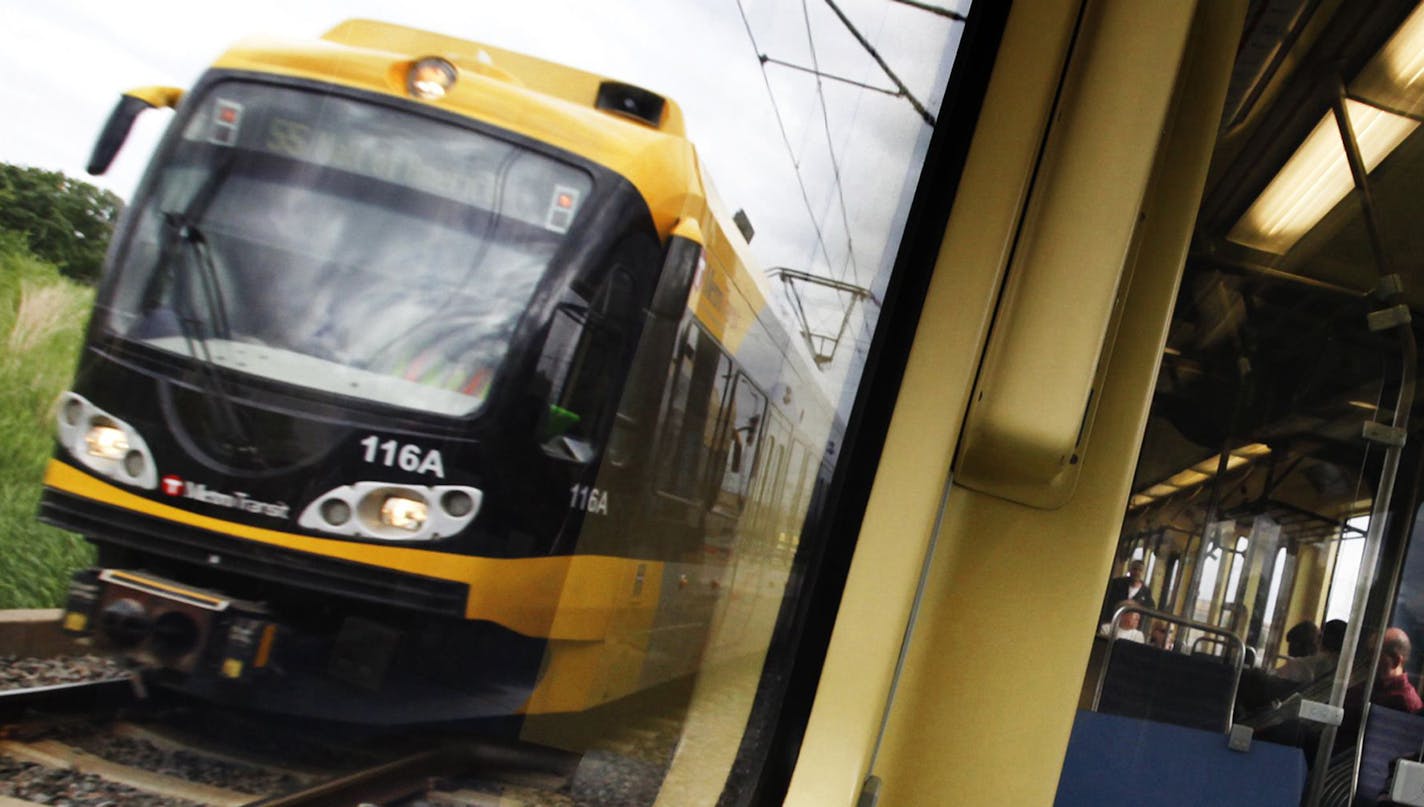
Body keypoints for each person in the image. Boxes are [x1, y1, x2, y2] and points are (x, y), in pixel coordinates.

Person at [1372, 627, 1422, 713]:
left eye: (1376, 654)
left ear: (1396, 660)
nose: (1370, 659)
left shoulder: (1408, 703)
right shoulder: (1376, 684)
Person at [1099, 559, 1155, 625]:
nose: (1137, 572)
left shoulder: (1146, 592)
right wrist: (1120, 604)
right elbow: (1106, 600)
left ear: (1143, 573)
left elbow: (1150, 608)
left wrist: (1135, 605)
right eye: (1134, 569)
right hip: (1111, 621)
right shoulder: (1117, 584)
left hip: (1131, 627)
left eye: (1140, 570)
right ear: (1129, 570)